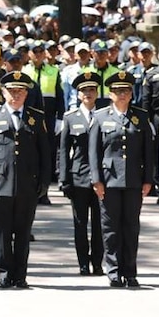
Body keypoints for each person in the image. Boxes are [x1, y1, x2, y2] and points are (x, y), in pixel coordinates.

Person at [0, 71, 51, 289]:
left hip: (28, 184)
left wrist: (44, 181)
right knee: (2, 231)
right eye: (12, 91)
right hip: (0, 183)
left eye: (20, 91)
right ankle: (4, 272)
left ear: (26, 94)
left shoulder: (36, 117)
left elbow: (44, 152)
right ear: (4, 93)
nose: (16, 95)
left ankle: (20, 274)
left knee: (23, 232)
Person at [87, 71, 157, 288]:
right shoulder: (100, 117)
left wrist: (148, 180)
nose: (122, 94)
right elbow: (94, 152)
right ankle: (114, 271)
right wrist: (96, 179)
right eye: (118, 91)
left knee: (131, 227)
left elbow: (148, 151)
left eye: (126, 90)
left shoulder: (141, 116)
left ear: (131, 93)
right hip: (109, 181)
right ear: (110, 94)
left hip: (134, 180)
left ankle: (130, 271)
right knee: (111, 229)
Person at [58, 72, 104, 276]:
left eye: (92, 90)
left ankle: (98, 262)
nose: (88, 93)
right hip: (78, 178)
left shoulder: (104, 116)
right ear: (78, 95)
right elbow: (63, 151)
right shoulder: (70, 118)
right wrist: (63, 179)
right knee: (80, 224)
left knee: (100, 224)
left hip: (101, 178)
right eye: (84, 90)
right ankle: (83, 263)